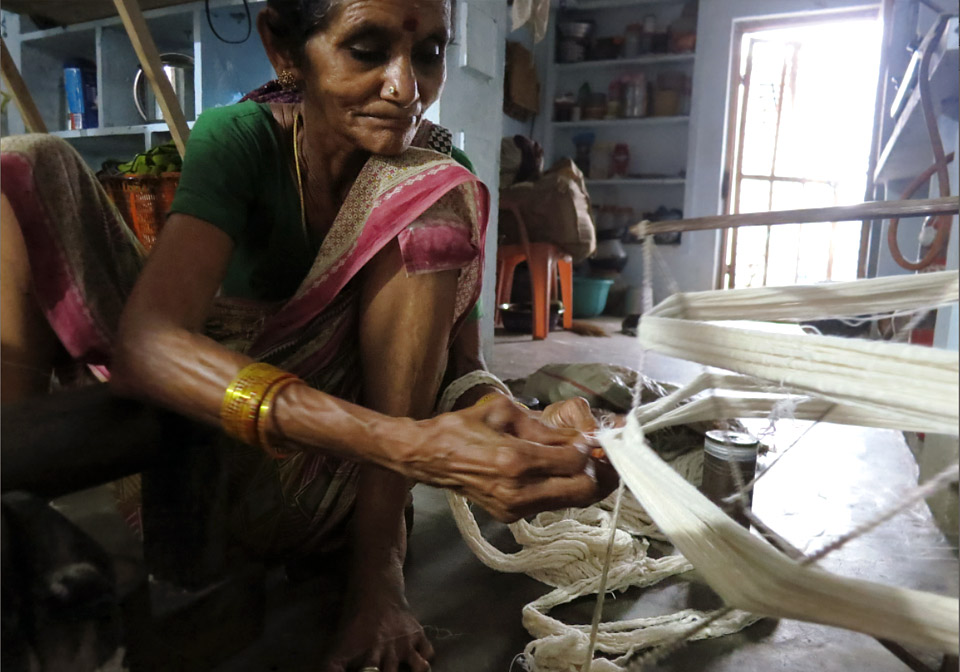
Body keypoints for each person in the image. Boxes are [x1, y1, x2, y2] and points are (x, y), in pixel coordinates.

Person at [0, 0, 614, 670]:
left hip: (338, 492)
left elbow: (460, 371)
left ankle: (375, 574)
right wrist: (402, 444)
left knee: (431, 186)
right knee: (24, 165)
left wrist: (525, 421)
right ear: (284, 50)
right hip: (190, 470)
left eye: (429, 54)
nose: (406, 89)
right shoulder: (239, 138)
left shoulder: (435, 175)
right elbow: (148, 345)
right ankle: (15, 522)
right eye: (367, 50)